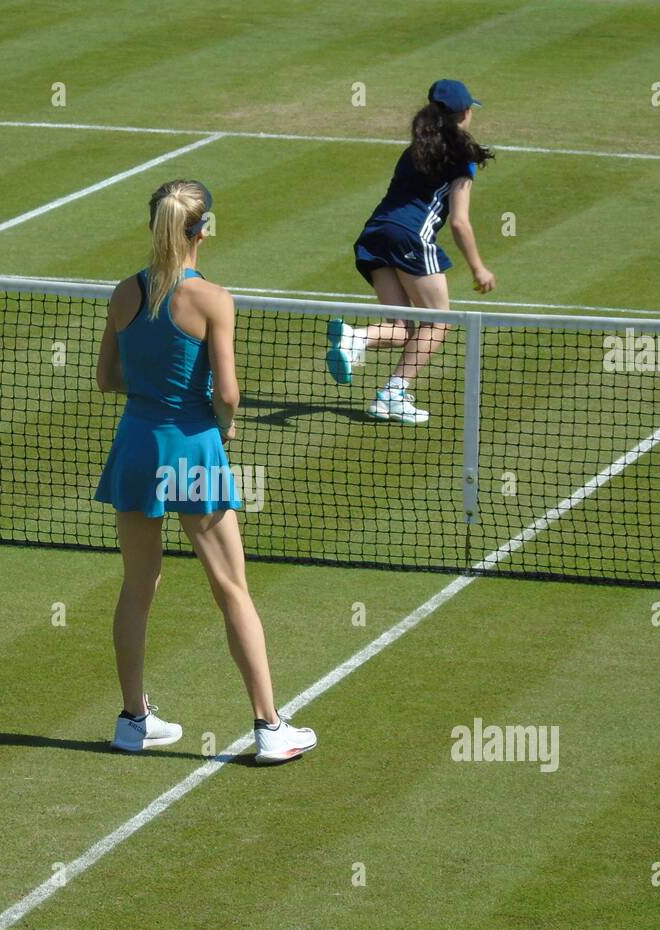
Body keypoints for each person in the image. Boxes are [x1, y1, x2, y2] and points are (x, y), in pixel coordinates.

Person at [94, 178, 318, 765]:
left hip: (137, 448)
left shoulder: (123, 294)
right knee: (231, 589)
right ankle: (271, 727)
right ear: (202, 231)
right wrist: (223, 422)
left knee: (138, 586)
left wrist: (154, 393)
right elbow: (230, 392)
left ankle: (133, 721)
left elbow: (108, 379)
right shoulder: (214, 299)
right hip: (193, 453)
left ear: (155, 227)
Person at [327, 79, 496, 425]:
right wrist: (478, 268)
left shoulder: (415, 150)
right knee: (439, 321)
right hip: (410, 239)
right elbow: (460, 223)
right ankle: (388, 383)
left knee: (403, 328)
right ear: (464, 113)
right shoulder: (462, 159)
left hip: (374, 236)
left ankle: (375, 370)